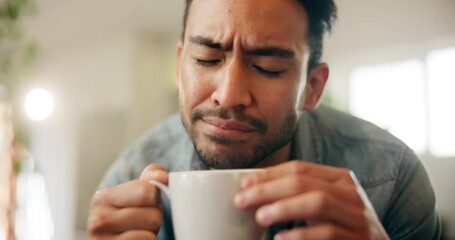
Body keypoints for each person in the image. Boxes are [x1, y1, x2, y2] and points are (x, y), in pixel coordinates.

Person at [87, 0, 441, 239]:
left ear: (312, 88)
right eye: (208, 58)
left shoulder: (391, 180)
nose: (228, 95)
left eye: (267, 67)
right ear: (180, 68)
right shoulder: (130, 177)